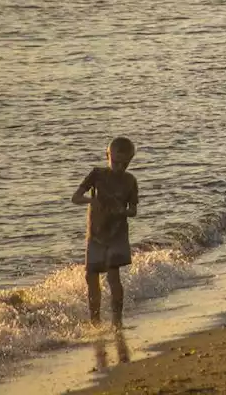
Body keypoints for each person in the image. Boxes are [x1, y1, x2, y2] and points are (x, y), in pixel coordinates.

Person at [71, 137, 139, 328]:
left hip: (117, 234)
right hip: (95, 235)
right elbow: (75, 198)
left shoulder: (130, 180)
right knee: (91, 278)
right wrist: (92, 201)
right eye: (116, 162)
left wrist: (122, 211)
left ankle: (117, 321)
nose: (119, 167)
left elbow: (133, 210)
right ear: (107, 155)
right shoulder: (97, 174)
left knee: (113, 277)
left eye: (125, 163)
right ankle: (95, 322)